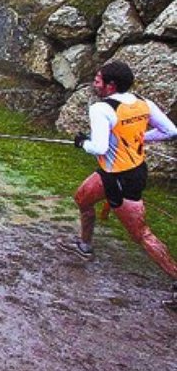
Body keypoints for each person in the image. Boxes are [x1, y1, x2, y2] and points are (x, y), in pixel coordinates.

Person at [60, 61, 177, 307]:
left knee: (141, 234)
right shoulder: (143, 103)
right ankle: (85, 245)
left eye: (98, 79)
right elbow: (169, 130)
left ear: (111, 86)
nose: (95, 82)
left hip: (123, 179)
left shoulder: (101, 109)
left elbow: (99, 147)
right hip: (113, 171)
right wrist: (140, 137)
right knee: (82, 198)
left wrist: (83, 143)